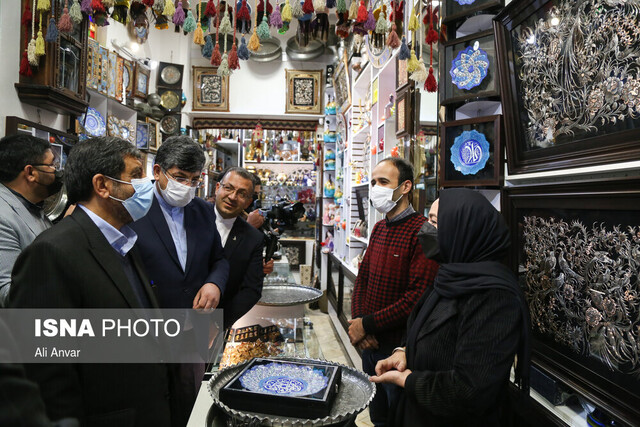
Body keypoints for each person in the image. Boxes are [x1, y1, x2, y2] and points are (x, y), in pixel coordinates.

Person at [9, 137, 171, 427]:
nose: (146, 186)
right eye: (135, 175)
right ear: (102, 185)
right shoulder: (53, 252)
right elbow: (47, 371)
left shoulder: (123, 242)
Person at [370, 189, 531, 426]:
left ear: (462, 230)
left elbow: (470, 391)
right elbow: (431, 332)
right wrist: (404, 352)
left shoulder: (495, 298)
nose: (425, 228)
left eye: (434, 221)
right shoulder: (450, 275)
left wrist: (408, 380)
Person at [128, 135, 229, 427]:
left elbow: (219, 260)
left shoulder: (202, 211)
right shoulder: (132, 209)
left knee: (190, 402)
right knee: (150, 405)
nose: (186, 186)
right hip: (147, 327)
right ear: (157, 171)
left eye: (194, 179)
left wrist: (214, 284)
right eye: (179, 177)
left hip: (193, 328)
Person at [349, 157, 439, 426]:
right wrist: (358, 324)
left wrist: (366, 324)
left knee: (397, 417)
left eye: (383, 182)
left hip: (398, 351)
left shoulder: (422, 232)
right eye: (373, 182)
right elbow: (362, 279)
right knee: (377, 416)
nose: (376, 188)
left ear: (405, 187)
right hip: (369, 345)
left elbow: (417, 297)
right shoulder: (378, 228)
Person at [0, 134, 61, 307]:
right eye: (51, 165)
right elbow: (8, 296)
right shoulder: (2, 218)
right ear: (30, 172)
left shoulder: (32, 206)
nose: (56, 172)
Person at [213, 167, 267, 328]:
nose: (232, 197)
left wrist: (218, 323)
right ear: (217, 188)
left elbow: (251, 290)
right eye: (228, 188)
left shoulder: (254, 238)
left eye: (242, 194)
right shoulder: (192, 217)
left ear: (248, 202)